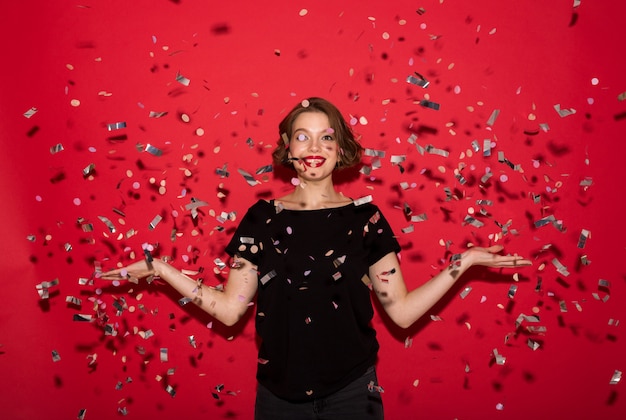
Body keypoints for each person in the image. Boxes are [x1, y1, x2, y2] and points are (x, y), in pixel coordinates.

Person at [102, 97, 531, 419]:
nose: (314, 146)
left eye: (326, 136)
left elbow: (400, 313)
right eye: (302, 136)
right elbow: (231, 310)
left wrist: (465, 262)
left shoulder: (366, 219)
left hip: (352, 395)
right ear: (287, 149)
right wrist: (159, 268)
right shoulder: (261, 219)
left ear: (340, 150)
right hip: (278, 400)